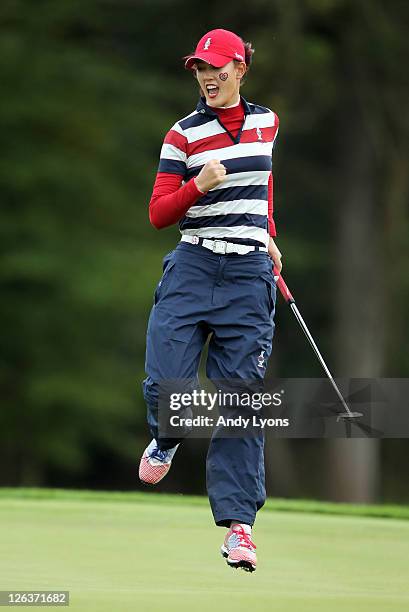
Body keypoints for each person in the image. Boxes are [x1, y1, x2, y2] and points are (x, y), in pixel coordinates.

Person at [138, 29, 282, 572]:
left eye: (218, 67)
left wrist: (267, 232)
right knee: (167, 384)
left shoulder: (267, 123)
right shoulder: (182, 136)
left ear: (241, 69)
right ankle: (167, 438)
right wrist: (199, 184)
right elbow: (158, 214)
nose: (208, 76)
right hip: (194, 267)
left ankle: (239, 527)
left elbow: (263, 187)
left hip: (247, 275)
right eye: (200, 68)